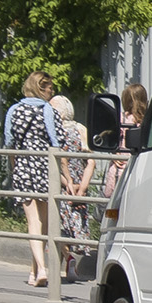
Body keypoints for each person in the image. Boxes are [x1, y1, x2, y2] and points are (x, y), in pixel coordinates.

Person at [4, 71, 63, 287]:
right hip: (45, 167)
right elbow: (58, 140)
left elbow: (9, 142)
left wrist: (14, 167)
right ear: (41, 88)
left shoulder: (14, 110)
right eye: (50, 88)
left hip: (23, 167)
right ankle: (41, 269)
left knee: (33, 223)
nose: (52, 92)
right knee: (43, 223)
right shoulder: (48, 110)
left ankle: (35, 270)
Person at [50, 94, 94, 279]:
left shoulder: (54, 131)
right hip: (76, 184)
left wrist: (71, 186)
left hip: (64, 185)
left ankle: (66, 261)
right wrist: (82, 188)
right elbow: (91, 161)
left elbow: (58, 163)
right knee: (69, 227)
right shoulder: (81, 129)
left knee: (60, 227)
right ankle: (67, 263)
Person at [103, 83, 148, 198]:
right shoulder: (148, 120)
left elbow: (110, 138)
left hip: (120, 164)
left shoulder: (120, 118)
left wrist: (115, 152)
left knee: (111, 198)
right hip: (141, 166)